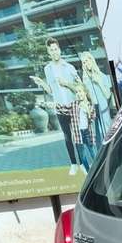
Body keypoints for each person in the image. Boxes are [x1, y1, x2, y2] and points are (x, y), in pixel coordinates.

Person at [30, 38, 83, 175]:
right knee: (67, 136)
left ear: (59, 50)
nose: (54, 52)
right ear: (48, 52)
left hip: (73, 105)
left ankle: (82, 163)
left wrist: (66, 84)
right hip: (60, 106)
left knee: (77, 136)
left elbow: (79, 86)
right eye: (51, 50)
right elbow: (50, 91)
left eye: (55, 49)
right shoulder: (48, 69)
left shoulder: (69, 67)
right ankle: (73, 164)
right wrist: (41, 82)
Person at [79, 51, 112, 153]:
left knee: (108, 133)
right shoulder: (84, 80)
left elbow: (107, 95)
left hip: (103, 109)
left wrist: (99, 82)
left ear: (92, 60)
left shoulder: (102, 76)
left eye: (87, 60)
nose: (86, 63)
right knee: (98, 137)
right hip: (93, 110)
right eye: (83, 62)